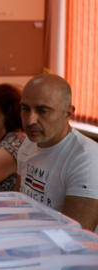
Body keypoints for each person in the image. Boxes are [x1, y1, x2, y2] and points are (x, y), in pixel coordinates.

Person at [17, 73, 98, 231]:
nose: (30, 120)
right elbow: (18, 204)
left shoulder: (87, 159)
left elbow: (76, 237)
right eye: (25, 109)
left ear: (68, 113)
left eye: (43, 111)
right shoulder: (28, 144)